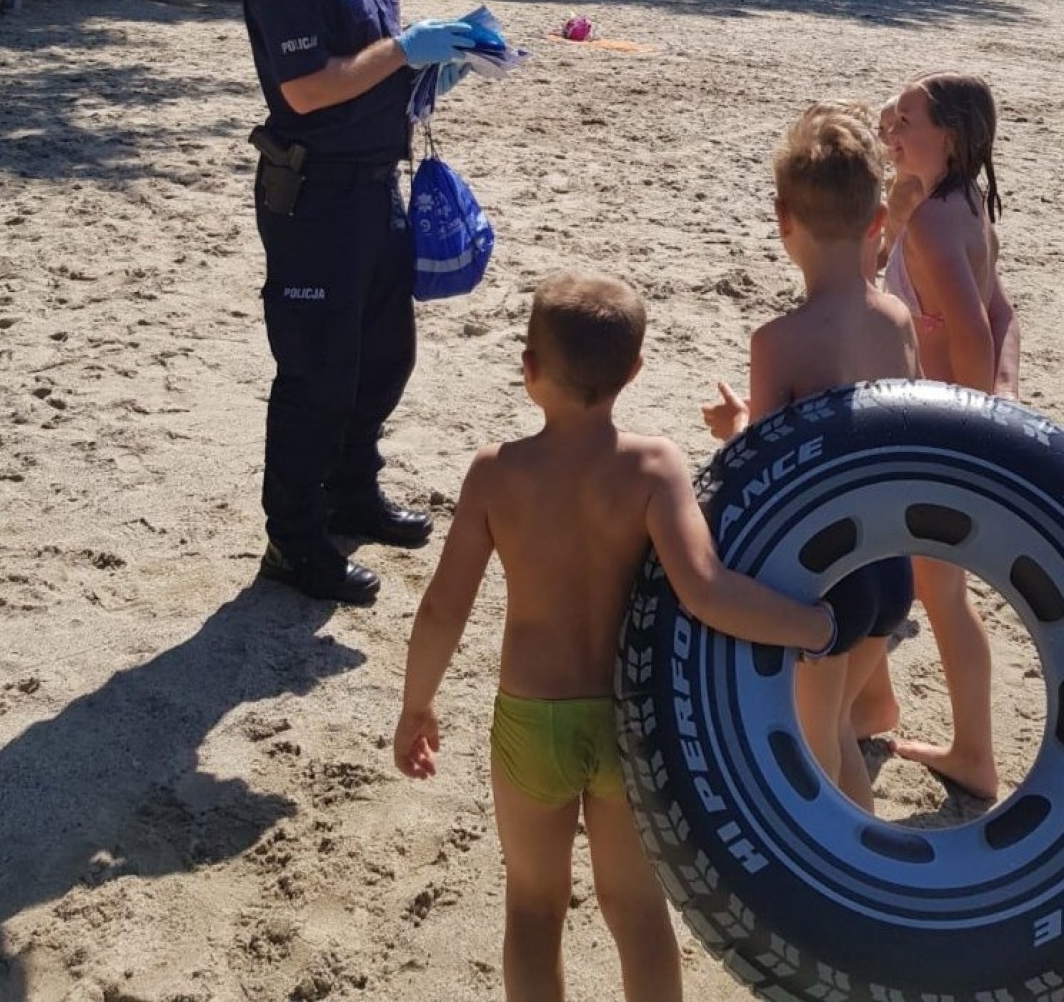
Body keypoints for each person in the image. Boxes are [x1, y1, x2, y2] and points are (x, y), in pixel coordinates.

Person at [394, 272, 840, 1002]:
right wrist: (813, 626)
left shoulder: (496, 473)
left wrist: (418, 705)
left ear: (528, 368)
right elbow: (708, 591)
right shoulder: (654, 466)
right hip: (629, 724)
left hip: (531, 720)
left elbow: (445, 607)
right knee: (637, 911)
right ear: (634, 372)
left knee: (534, 907)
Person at [243, 0, 482, 605]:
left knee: (384, 355)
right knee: (316, 371)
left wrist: (427, 76)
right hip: (313, 194)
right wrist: (407, 50)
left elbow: (368, 69)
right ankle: (295, 540)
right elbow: (308, 90)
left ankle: (351, 491)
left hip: (377, 183)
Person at [702, 105, 921, 811]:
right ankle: (875, 862)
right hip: (890, 565)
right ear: (879, 220)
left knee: (813, 745)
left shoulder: (779, 343)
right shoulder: (896, 319)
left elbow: (768, 478)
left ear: (781, 217)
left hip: (825, 576)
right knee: (832, 733)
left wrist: (736, 427)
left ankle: (849, 888)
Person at [867, 74, 1017, 803]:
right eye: (889, 118)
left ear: (950, 137)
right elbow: (998, 307)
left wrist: (974, 431)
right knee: (930, 588)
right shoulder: (958, 204)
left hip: (938, 434)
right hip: (937, 423)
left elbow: (975, 325)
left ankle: (973, 756)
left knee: (936, 592)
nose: (891, 130)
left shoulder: (934, 221)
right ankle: (887, 713)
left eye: (908, 121)